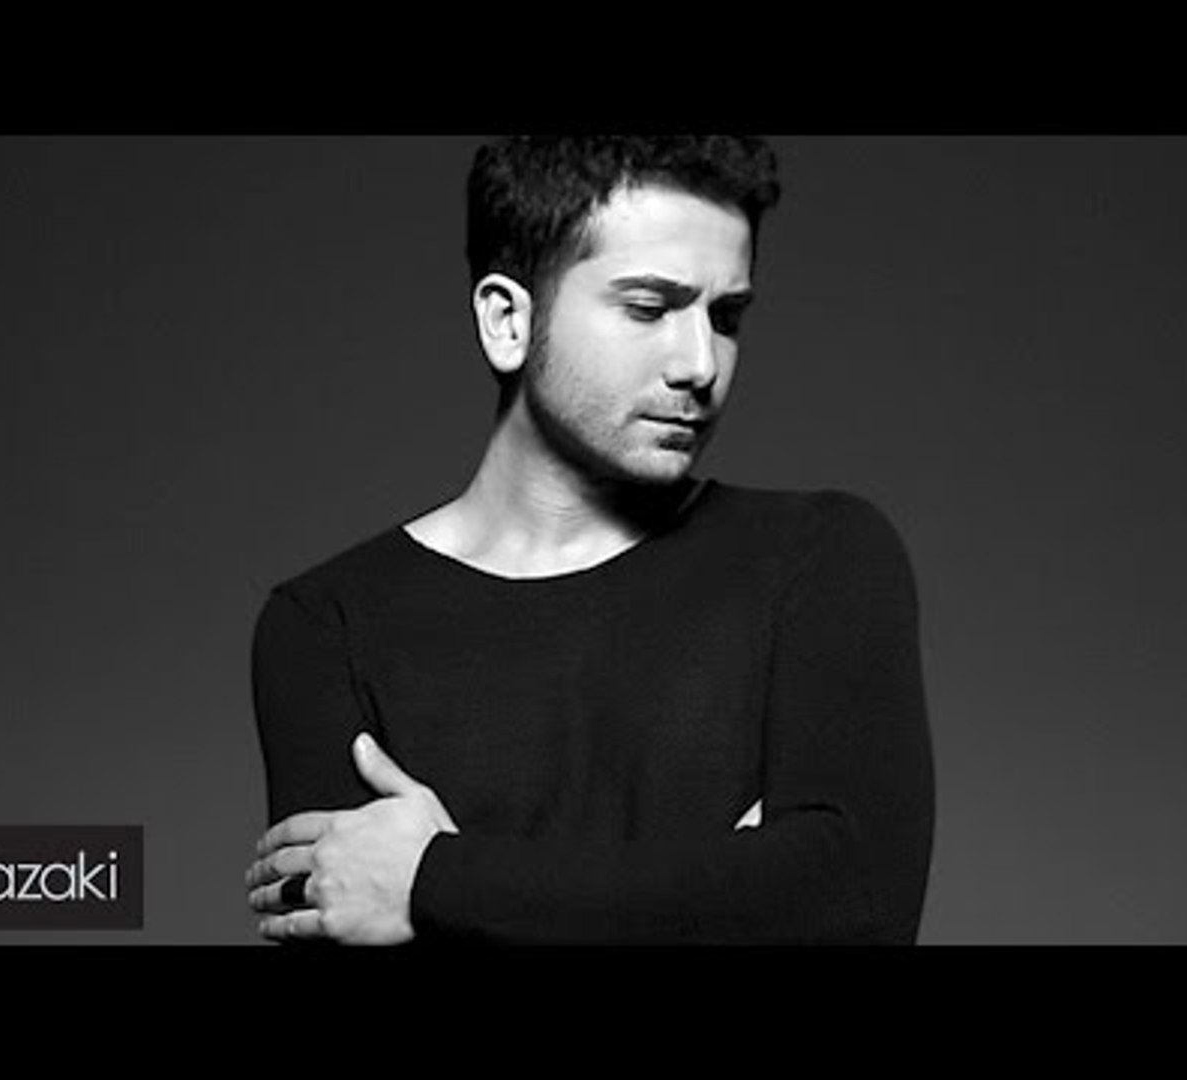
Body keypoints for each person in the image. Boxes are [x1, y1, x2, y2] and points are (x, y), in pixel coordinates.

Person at [244, 135, 935, 945]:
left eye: (726, 316)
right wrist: (725, 888)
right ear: (507, 321)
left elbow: (855, 902)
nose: (701, 364)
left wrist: (437, 879)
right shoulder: (327, 628)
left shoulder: (820, 559)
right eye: (648, 308)